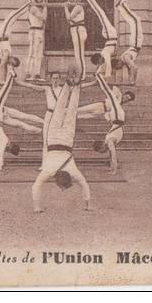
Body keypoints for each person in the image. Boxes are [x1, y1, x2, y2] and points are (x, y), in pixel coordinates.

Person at [32, 64, 91, 213]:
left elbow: (84, 184)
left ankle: (75, 86)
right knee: (60, 108)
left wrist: (88, 204)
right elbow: (35, 186)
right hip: (53, 139)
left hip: (67, 140)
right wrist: (36, 207)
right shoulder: (49, 171)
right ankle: (68, 84)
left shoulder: (73, 170)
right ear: (56, 180)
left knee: (71, 110)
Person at [17, 71, 96, 169]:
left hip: (61, 116)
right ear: (50, 79)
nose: (55, 80)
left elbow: (79, 86)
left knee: (62, 139)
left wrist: (94, 82)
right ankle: (45, 164)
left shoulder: (64, 89)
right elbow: (31, 86)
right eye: (54, 78)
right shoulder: (47, 88)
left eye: (57, 78)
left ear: (60, 79)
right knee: (46, 139)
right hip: (50, 115)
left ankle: (62, 164)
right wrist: (17, 81)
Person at [92, 70, 135, 174]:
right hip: (117, 118)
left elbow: (112, 155)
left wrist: (112, 168)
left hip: (117, 118)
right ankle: (99, 76)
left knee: (109, 92)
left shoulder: (109, 141)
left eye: (102, 151)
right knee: (108, 92)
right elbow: (113, 154)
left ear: (102, 146)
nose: (104, 152)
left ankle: (99, 75)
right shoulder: (109, 141)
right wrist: (114, 169)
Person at [84, 0, 118, 78]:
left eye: (98, 62)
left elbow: (107, 63)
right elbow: (103, 64)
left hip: (109, 35)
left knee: (101, 13)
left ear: (99, 58)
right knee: (101, 14)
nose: (100, 63)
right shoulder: (103, 56)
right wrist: (97, 73)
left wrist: (107, 75)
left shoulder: (104, 53)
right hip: (111, 35)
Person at [0, 0, 31, 82]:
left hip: (2, 35)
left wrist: (9, 75)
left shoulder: (8, 59)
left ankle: (29, 4)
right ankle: (29, 3)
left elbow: (6, 66)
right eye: (12, 62)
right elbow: (2, 65)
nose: (11, 63)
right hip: (3, 34)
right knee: (15, 15)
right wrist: (3, 80)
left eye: (12, 64)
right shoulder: (7, 53)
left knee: (13, 16)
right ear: (13, 58)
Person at [112, 0, 143, 83]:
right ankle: (120, 7)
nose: (119, 68)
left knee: (136, 20)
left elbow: (135, 68)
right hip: (135, 43)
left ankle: (122, 5)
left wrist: (133, 81)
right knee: (132, 21)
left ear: (118, 62)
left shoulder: (125, 58)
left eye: (117, 67)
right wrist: (130, 81)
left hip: (136, 43)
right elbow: (131, 69)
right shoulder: (125, 61)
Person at [65, 0, 87, 81]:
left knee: (79, 54)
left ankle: (82, 75)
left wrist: (65, 7)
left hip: (78, 30)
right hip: (75, 30)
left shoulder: (78, 6)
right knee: (77, 54)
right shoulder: (76, 7)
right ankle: (81, 74)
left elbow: (68, 17)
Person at [26, 0, 47, 81]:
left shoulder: (39, 8)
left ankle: (37, 74)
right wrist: (45, 6)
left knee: (39, 54)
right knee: (33, 53)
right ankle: (29, 73)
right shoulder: (33, 8)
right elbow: (43, 17)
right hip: (34, 30)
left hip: (40, 31)